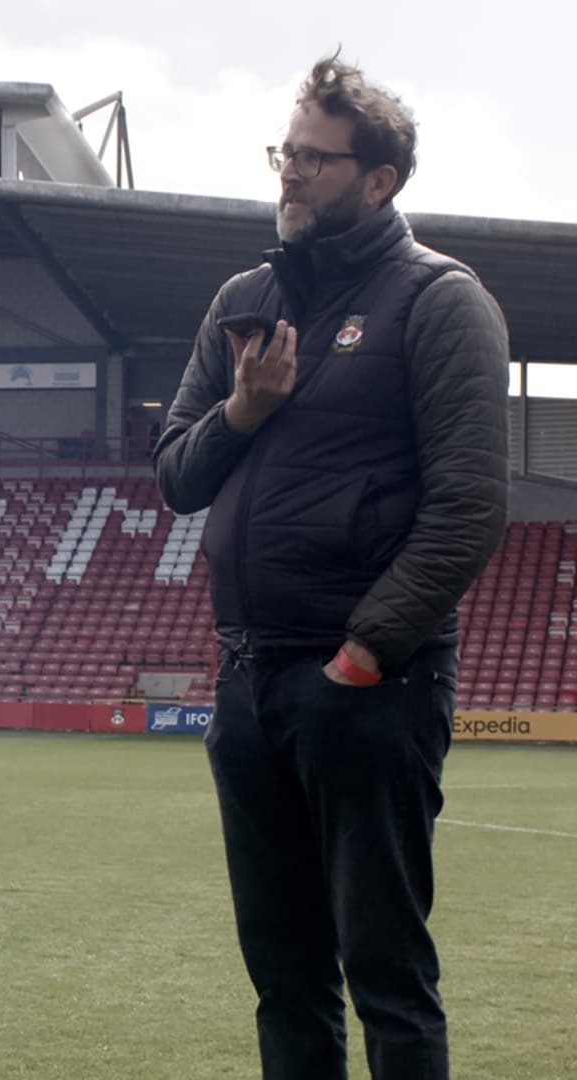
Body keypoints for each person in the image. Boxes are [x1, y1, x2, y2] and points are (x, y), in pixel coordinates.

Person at [153, 52, 509, 1080]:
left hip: (368, 688)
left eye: (316, 158)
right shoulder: (244, 299)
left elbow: (469, 507)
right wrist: (243, 411)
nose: (291, 173)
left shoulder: (438, 300)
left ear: (379, 178)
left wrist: (364, 654)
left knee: (386, 976)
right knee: (284, 973)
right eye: (286, 152)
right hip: (249, 679)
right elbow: (175, 476)